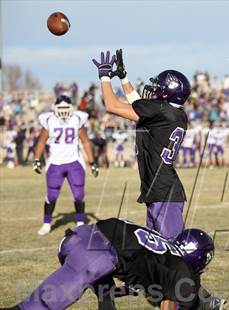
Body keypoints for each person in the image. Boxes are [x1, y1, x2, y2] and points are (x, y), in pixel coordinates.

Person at [0, 218, 217, 310]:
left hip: (83, 238)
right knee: (35, 307)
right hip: (95, 255)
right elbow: (169, 304)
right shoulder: (182, 269)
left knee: (106, 290)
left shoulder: (162, 248)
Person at [92, 50, 189, 240]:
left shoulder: (161, 111)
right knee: (157, 254)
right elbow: (139, 105)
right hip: (160, 191)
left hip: (163, 193)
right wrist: (124, 77)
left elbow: (112, 106)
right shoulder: (173, 114)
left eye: (158, 86)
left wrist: (105, 78)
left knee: (171, 253)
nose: (153, 89)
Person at [32, 95, 99, 236]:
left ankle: (80, 222)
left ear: (71, 108)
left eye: (65, 108)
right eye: (60, 108)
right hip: (55, 163)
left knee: (79, 194)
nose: (63, 111)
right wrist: (36, 159)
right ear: (55, 109)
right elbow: (41, 142)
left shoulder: (77, 119)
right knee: (52, 195)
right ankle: (46, 223)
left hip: (74, 162)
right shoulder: (49, 120)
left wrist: (92, 162)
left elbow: (85, 142)